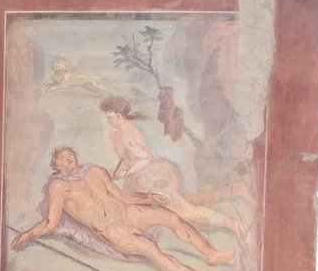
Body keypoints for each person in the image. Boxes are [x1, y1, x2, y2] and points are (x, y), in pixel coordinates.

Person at [11, 146, 235, 271]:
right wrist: (29, 234)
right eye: (61, 157)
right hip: (112, 230)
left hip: (128, 212)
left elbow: (122, 196)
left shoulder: (96, 171)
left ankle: (211, 254)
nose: (67, 157)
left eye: (69, 153)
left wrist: (148, 196)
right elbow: (51, 222)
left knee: (173, 219)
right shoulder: (58, 186)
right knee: (151, 249)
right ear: (56, 165)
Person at [99, 96, 245, 239]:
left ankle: (233, 224)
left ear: (118, 115)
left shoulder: (130, 133)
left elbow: (145, 159)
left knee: (185, 212)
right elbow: (126, 158)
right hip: (135, 179)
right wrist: (117, 171)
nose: (108, 120)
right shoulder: (114, 133)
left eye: (109, 117)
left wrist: (127, 172)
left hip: (151, 177)